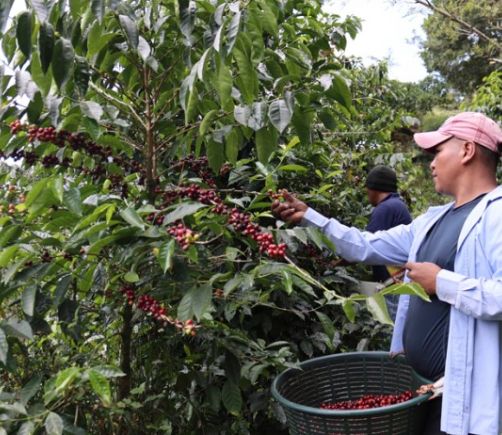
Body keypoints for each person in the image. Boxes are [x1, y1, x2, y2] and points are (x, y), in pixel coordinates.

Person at [272, 112, 502, 435]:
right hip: (421, 389)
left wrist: (441, 282)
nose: (432, 163)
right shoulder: (432, 220)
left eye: (437, 151)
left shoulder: (496, 214)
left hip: (463, 397)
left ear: (467, 150)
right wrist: (310, 217)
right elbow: (365, 245)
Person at [364, 165, 412, 319]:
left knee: (388, 325)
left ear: (374, 188)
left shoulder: (385, 208)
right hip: (398, 281)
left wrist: (335, 263)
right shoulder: (396, 205)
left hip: (393, 285)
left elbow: (364, 246)